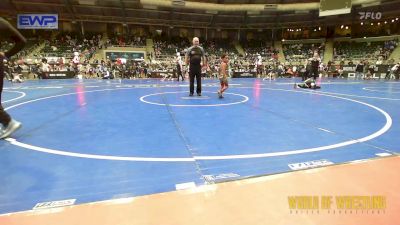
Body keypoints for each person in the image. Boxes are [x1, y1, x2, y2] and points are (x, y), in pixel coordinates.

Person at [0, 17, 26, 139]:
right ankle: (6, 123)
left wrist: (6, 54)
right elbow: (22, 41)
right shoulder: (2, 23)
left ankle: (8, 122)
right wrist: (6, 55)